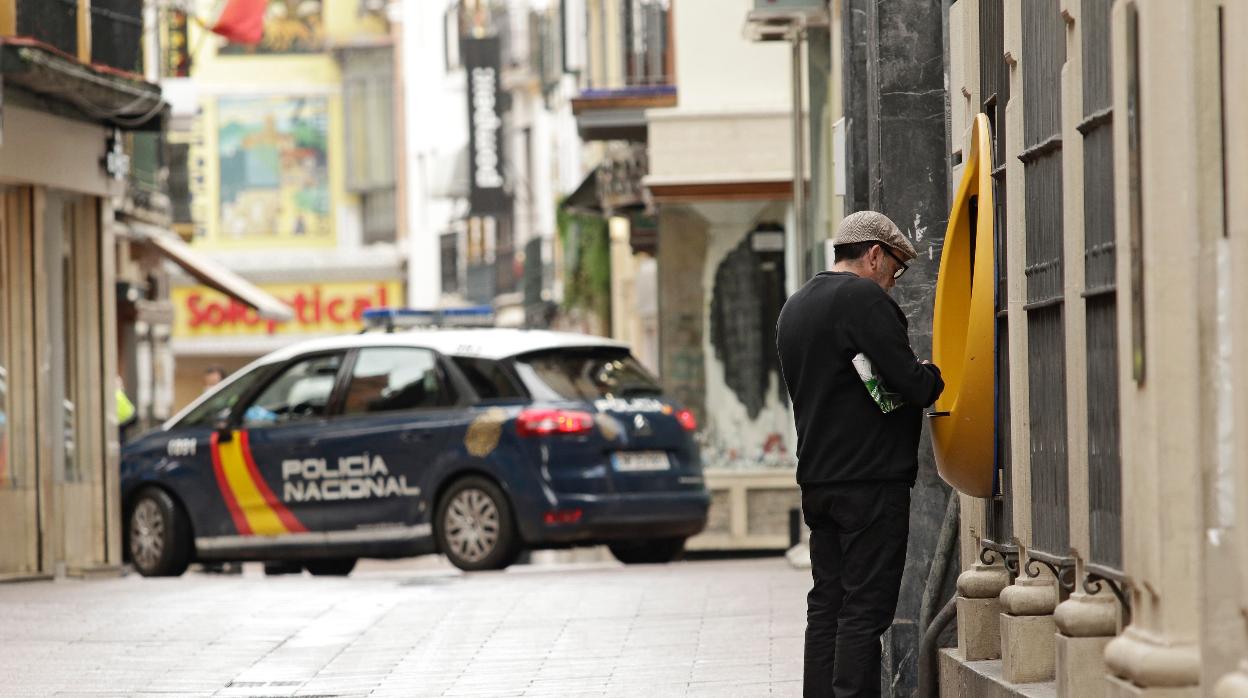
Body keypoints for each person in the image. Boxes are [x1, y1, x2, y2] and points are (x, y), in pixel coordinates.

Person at [776, 210, 945, 697]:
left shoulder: (796, 305)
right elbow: (911, 383)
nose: (893, 280)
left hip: (819, 481)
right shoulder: (864, 299)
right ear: (874, 254)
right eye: (895, 267)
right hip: (870, 481)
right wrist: (931, 373)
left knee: (827, 603)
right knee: (864, 610)